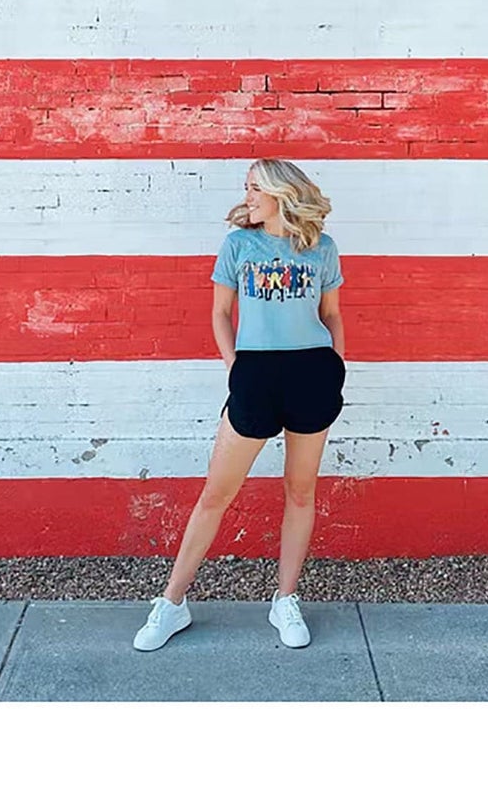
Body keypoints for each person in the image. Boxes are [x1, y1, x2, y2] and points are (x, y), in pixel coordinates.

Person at [133, 157, 345, 651]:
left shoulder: (321, 248)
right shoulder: (238, 245)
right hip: (255, 373)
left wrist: (335, 365)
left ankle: (285, 599)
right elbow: (220, 314)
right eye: (246, 188)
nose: (247, 196)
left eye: (255, 188)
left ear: (280, 194)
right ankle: (172, 603)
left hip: (312, 373)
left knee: (300, 492)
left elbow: (332, 314)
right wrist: (237, 367)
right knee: (216, 494)